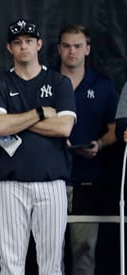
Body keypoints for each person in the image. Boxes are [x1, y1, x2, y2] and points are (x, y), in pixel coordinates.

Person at [0, 19, 77, 275]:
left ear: (39, 44)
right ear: (9, 48)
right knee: (11, 263)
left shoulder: (59, 83)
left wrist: (17, 119)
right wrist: (39, 113)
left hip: (52, 181)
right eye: (17, 42)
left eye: (28, 41)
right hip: (11, 183)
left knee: (51, 262)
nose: (23, 46)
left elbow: (64, 128)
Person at [57, 24, 119, 275]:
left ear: (88, 49)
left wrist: (100, 144)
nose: (72, 52)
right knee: (50, 251)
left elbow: (116, 129)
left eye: (77, 46)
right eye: (67, 46)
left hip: (88, 180)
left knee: (84, 252)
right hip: (52, 180)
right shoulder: (47, 83)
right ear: (59, 48)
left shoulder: (102, 85)